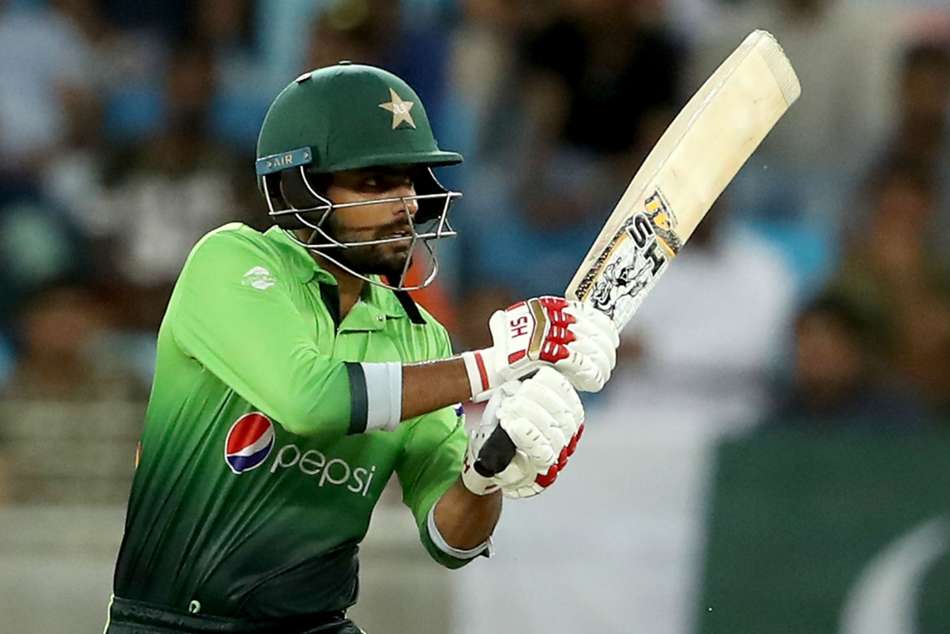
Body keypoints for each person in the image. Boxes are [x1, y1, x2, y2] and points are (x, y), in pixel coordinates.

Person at [104, 62, 619, 634]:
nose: (408, 204)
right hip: (169, 625)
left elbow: (450, 541)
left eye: (411, 182)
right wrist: (498, 363)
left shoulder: (420, 337)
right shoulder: (230, 262)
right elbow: (310, 400)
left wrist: (488, 471)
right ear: (300, 188)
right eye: (375, 183)